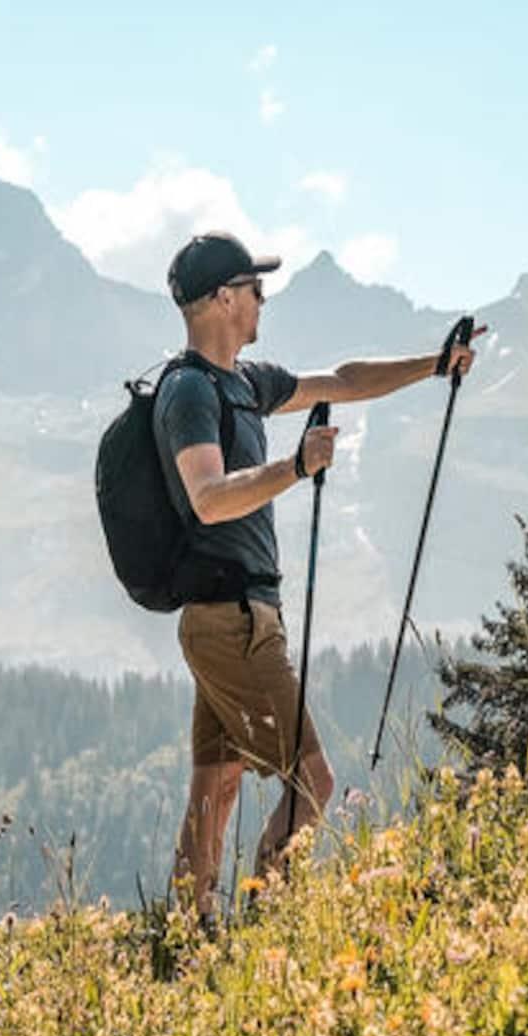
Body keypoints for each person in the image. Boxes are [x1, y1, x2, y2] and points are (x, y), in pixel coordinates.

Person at [158, 231, 480, 916]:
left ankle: (187, 934)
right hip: (231, 622)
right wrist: (296, 467)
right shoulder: (189, 392)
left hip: (229, 617)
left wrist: (435, 364)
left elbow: (344, 381)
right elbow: (208, 498)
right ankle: (265, 921)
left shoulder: (243, 384)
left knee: (217, 785)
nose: (262, 298)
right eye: (254, 287)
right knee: (313, 780)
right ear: (223, 298)